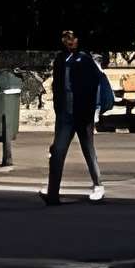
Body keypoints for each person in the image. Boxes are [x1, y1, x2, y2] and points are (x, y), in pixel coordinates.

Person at [41, 28, 109, 204]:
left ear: (79, 40)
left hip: (82, 112)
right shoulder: (60, 59)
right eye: (65, 38)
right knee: (57, 151)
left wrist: (90, 111)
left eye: (71, 38)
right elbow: (57, 86)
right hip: (65, 112)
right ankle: (52, 193)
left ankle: (98, 184)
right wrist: (58, 107)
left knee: (88, 150)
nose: (68, 41)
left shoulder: (85, 60)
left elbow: (93, 87)